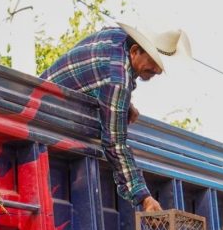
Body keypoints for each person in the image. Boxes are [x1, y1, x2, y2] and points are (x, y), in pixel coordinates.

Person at [41, 22, 189, 213]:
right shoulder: (117, 79)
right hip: (47, 118)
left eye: (159, 67)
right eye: (153, 64)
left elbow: (95, 77)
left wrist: (126, 104)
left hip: (45, 101)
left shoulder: (116, 37)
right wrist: (144, 197)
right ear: (135, 51)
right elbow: (114, 144)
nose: (157, 71)